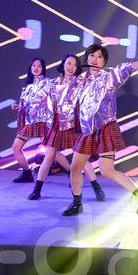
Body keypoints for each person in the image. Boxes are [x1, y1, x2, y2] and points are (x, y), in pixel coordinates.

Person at [63, 45, 138, 216]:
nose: (95, 59)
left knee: (107, 171)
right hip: (87, 130)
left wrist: (132, 66)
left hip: (105, 128)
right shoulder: (79, 80)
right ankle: (77, 203)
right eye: (92, 55)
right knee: (75, 167)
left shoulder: (107, 78)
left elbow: (119, 73)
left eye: (100, 57)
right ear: (87, 58)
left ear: (104, 62)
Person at [27, 54, 103, 201]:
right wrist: (35, 108)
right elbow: (43, 98)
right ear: (63, 65)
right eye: (69, 63)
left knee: (81, 157)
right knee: (49, 156)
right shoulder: (53, 82)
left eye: (74, 65)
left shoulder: (80, 83)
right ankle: (37, 190)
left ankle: (97, 189)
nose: (71, 67)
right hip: (55, 123)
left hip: (72, 124)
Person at [9, 58, 49, 183]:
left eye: (39, 66)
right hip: (30, 122)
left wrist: (37, 109)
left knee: (51, 151)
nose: (36, 68)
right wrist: (17, 106)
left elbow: (48, 100)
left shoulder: (46, 82)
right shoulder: (28, 86)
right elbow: (26, 105)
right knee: (16, 147)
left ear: (43, 68)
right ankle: (27, 173)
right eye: (34, 65)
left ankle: (71, 172)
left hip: (42, 121)